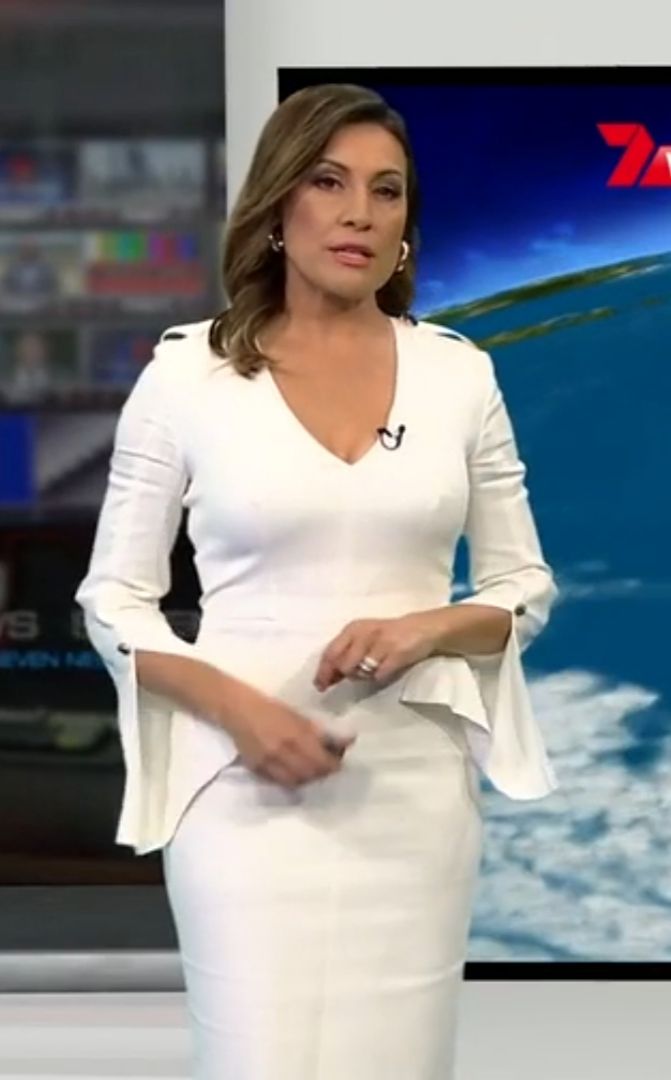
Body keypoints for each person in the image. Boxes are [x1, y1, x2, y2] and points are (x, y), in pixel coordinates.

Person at [74, 83, 559, 1080]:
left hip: (412, 795)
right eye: (329, 183)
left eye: (386, 191)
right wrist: (237, 709)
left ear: (406, 224)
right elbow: (112, 600)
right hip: (237, 790)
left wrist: (428, 627)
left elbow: (520, 585)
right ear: (277, 205)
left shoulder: (458, 376)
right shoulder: (186, 378)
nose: (358, 214)